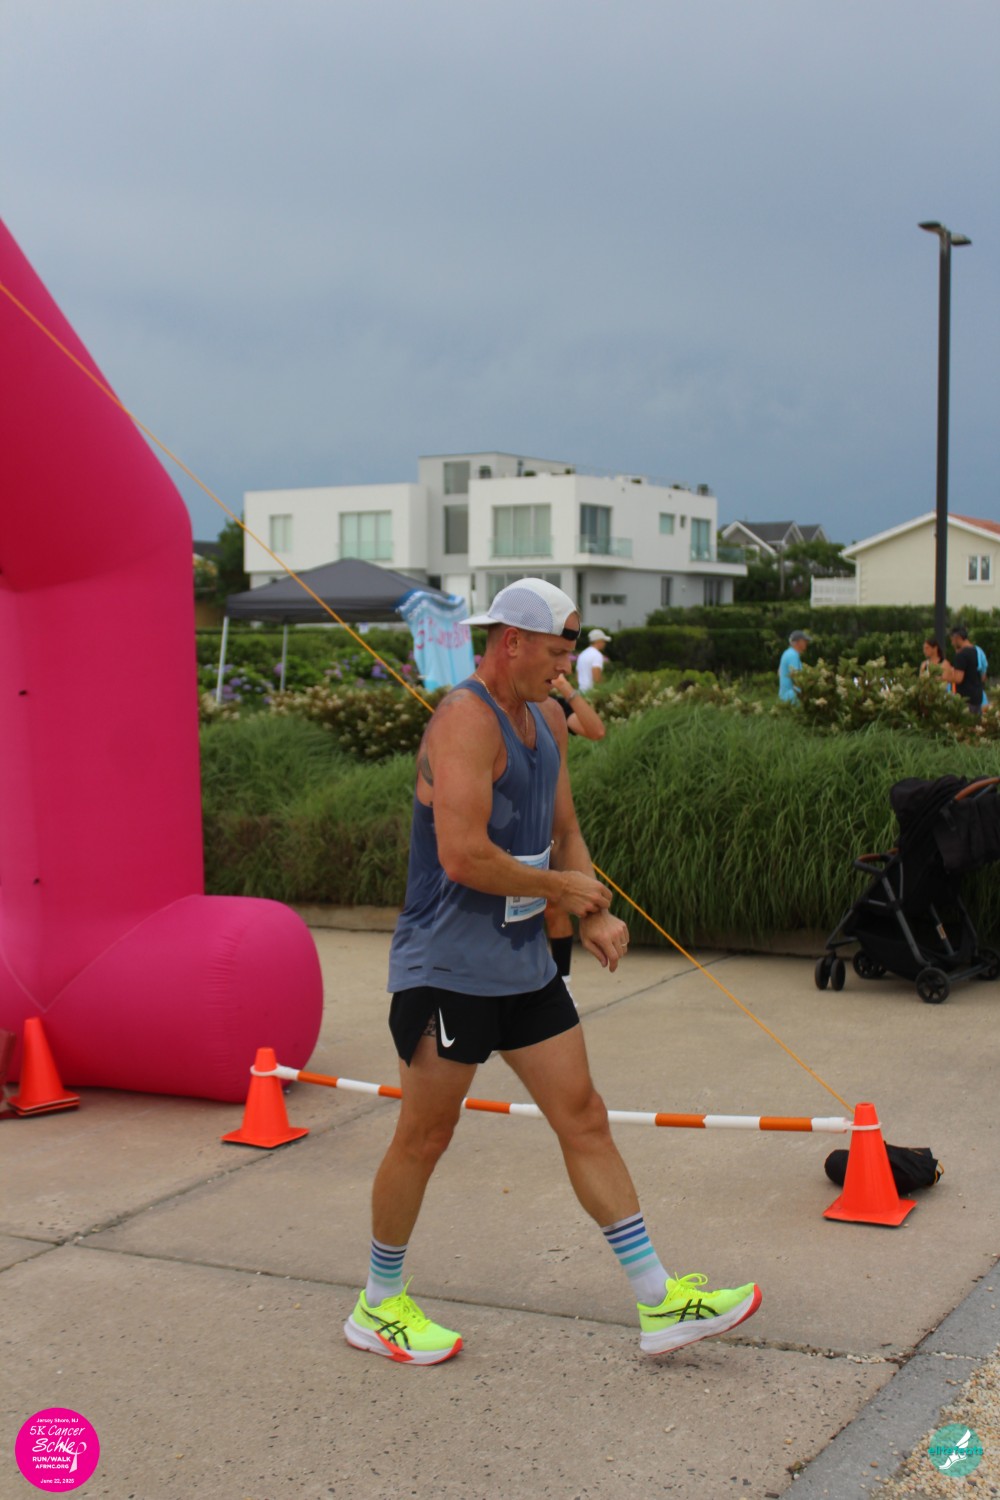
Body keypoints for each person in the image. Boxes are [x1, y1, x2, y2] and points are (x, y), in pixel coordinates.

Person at [344, 578, 760, 1365]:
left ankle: (658, 1300)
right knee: (425, 1136)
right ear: (512, 643)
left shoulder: (545, 719)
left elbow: (565, 831)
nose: (566, 669)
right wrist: (560, 892)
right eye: (556, 653)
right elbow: (462, 856)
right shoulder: (463, 721)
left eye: (570, 654)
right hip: (446, 969)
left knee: (584, 1116)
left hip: (523, 963)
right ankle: (378, 1303)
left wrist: (590, 909)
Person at [545, 670, 605, 994]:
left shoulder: (553, 709)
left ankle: (563, 985)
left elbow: (595, 730)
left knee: (554, 906)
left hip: (553, 814)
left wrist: (567, 690)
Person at [943, 624, 984, 714]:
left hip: (966, 700)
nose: (952, 644)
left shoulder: (961, 655)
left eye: (952, 640)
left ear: (957, 638)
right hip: (977, 697)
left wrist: (944, 675)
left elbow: (958, 678)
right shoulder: (976, 651)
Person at [778, 630, 810, 702]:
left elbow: (779, 671)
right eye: (805, 641)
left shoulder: (787, 653)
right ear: (798, 642)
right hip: (792, 698)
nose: (806, 643)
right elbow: (797, 678)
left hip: (785, 697)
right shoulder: (793, 655)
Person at [575, 627, 611, 692]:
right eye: (603, 641)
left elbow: (577, 675)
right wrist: (600, 690)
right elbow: (596, 674)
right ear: (598, 641)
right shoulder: (597, 655)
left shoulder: (583, 654)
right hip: (591, 692)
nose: (604, 644)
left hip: (581, 691)